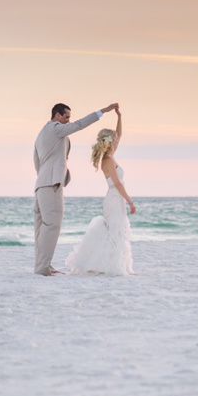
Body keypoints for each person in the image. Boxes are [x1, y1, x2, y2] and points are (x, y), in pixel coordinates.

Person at [33, 102, 118, 276]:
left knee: (41, 228)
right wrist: (103, 111)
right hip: (51, 184)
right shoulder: (56, 128)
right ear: (57, 115)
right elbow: (79, 125)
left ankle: (43, 265)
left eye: (69, 118)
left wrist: (43, 178)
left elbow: (36, 161)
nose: (68, 121)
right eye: (66, 117)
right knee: (52, 226)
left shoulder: (41, 134)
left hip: (41, 184)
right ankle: (42, 268)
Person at [65, 106, 135, 276]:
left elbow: (120, 134)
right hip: (114, 197)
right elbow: (118, 184)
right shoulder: (109, 160)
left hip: (115, 198)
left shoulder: (111, 155)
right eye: (115, 139)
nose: (118, 140)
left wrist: (119, 116)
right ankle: (110, 266)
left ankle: (112, 264)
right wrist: (130, 201)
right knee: (115, 232)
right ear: (110, 141)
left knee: (116, 232)